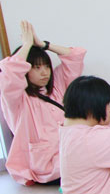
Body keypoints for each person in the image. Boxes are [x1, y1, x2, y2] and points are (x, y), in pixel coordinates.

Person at [0, 20, 86, 185]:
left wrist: (44, 45)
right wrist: (27, 46)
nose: (44, 72)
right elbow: (8, 74)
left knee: (104, 152)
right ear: (25, 69)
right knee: (97, 163)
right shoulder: (17, 99)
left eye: (46, 66)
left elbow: (75, 55)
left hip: (71, 151)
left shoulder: (57, 87)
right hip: (47, 164)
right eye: (36, 68)